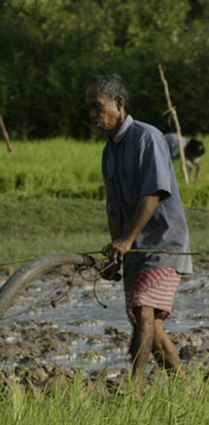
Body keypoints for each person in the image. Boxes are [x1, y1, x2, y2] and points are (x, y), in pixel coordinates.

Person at [85, 73, 192, 381]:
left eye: (97, 106)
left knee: (145, 309)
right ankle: (184, 389)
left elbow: (154, 192)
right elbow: (114, 209)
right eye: (89, 109)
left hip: (163, 242)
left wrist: (127, 238)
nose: (93, 115)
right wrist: (116, 248)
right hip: (134, 246)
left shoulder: (147, 137)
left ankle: (134, 389)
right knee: (152, 330)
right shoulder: (109, 152)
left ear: (119, 104)